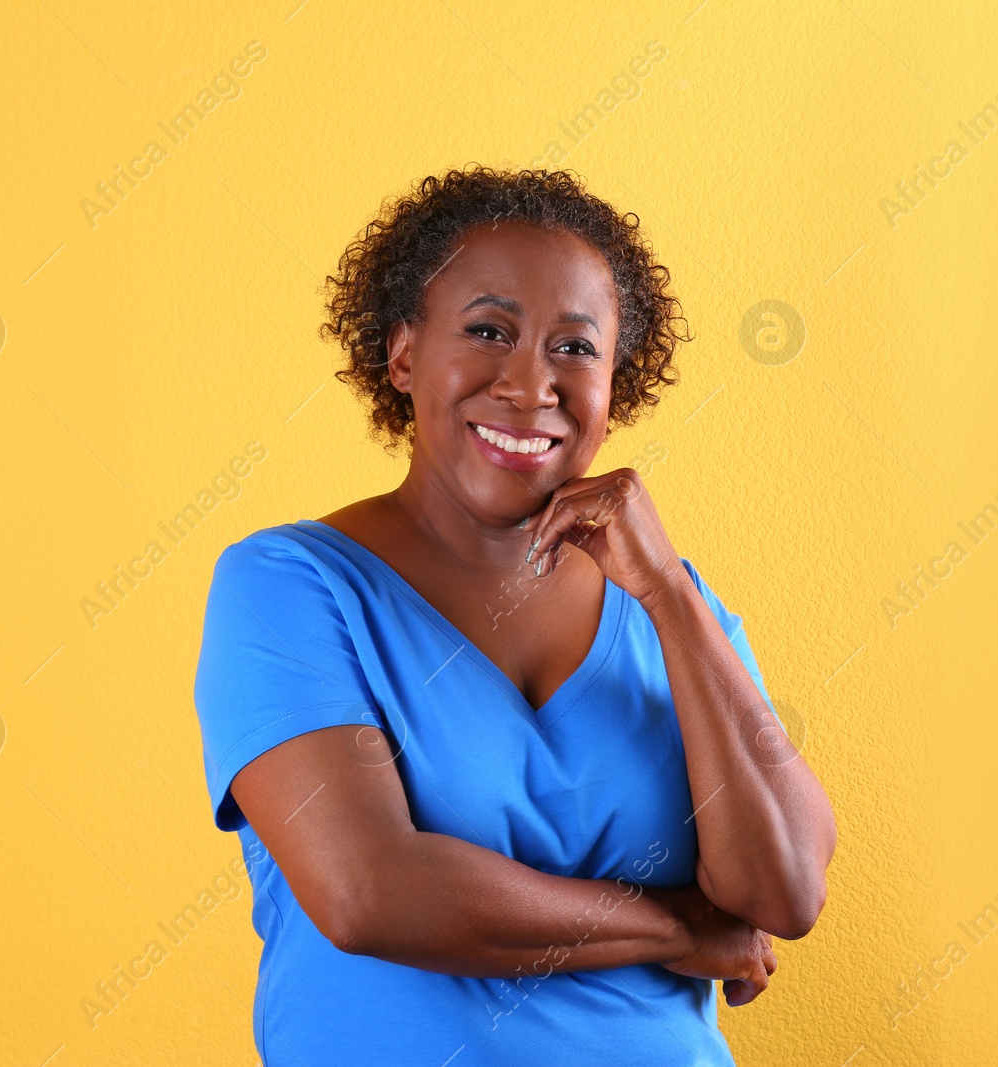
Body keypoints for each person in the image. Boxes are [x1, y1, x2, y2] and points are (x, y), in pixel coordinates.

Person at [192, 165, 837, 1065]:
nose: (531, 384)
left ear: (620, 382)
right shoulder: (291, 585)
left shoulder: (676, 614)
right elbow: (371, 890)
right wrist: (676, 930)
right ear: (405, 354)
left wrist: (671, 597)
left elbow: (787, 887)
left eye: (576, 349)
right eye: (488, 331)